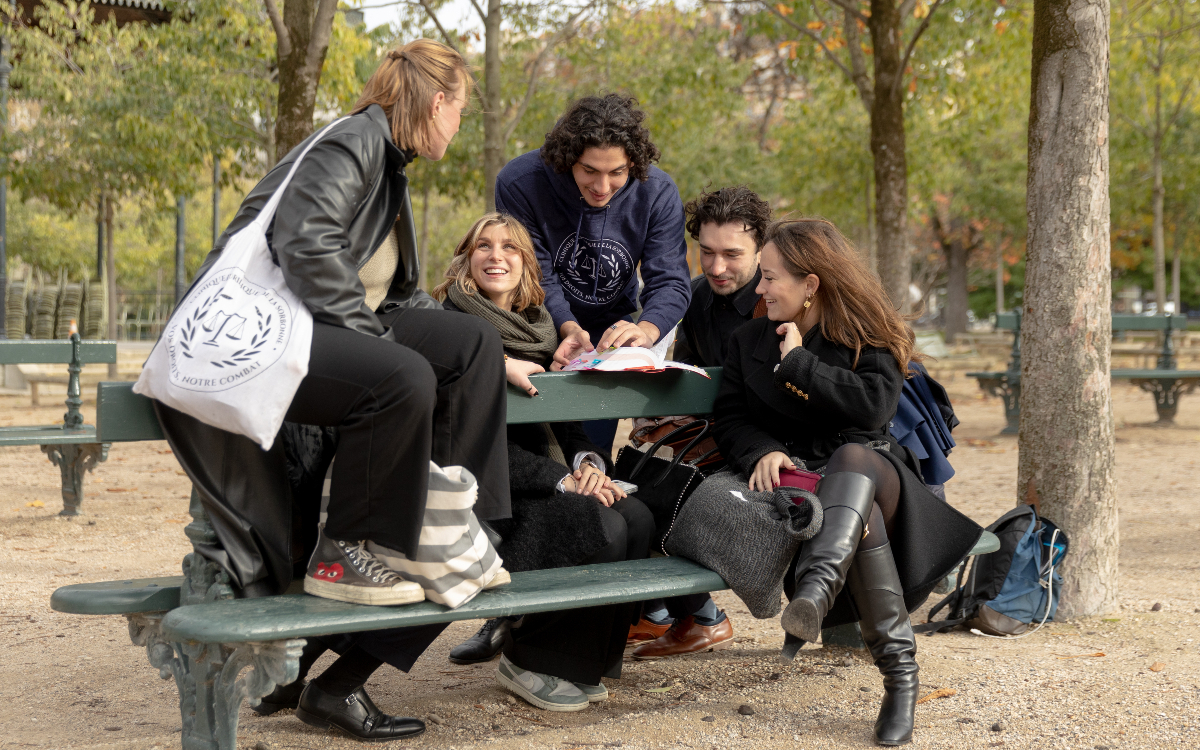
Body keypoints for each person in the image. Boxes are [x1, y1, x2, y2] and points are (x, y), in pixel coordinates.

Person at [158, 40, 510, 741]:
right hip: (259, 339)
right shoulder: (355, 139)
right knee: (402, 372)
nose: (458, 124)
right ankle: (347, 547)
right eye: (461, 111)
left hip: (325, 333)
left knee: (475, 347)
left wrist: (502, 355)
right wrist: (381, 350)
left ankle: (458, 520)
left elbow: (397, 298)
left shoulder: (392, 169)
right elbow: (305, 242)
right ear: (438, 103)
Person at [711, 219, 982, 746]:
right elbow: (730, 418)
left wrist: (799, 364)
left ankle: (816, 586)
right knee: (862, 520)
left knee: (854, 458)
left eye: (769, 278)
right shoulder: (747, 340)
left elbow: (874, 408)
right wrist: (762, 449)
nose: (759, 289)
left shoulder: (870, 335)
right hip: (823, 502)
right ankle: (900, 680)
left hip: (882, 479)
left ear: (810, 284)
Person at [432, 213, 656, 712]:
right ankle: (530, 660)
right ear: (466, 260)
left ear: (527, 263)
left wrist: (588, 464)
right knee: (598, 522)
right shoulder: (451, 331)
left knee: (635, 517)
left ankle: (583, 661)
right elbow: (460, 446)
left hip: (547, 480)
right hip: (488, 495)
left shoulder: (543, 331)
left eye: (510, 248)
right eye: (484, 246)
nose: (496, 256)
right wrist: (562, 480)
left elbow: (569, 427)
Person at [495, 93, 692, 451]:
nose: (602, 187)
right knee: (537, 449)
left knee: (591, 452)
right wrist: (568, 327)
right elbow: (537, 274)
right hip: (533, 327)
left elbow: (671, 281)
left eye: (616, 172)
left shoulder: (658, 192)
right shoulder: (521, 183)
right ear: (567, 160)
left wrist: (646, 331)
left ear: (633, 162)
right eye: (590, 171)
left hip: (609, 337)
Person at [629, 186, 773, 659]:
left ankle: (696, 614)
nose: (716, 268)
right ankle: (660, 609)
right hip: (720, 435)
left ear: (760, 251)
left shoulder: (777, 300)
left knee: (652, 485)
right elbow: (689, 377)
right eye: (706, 252)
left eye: (732, 254)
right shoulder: (693, 299)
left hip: (767, 446)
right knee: (628, 474)